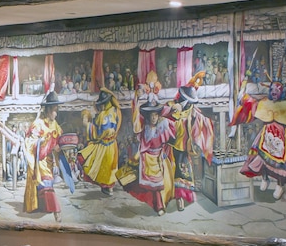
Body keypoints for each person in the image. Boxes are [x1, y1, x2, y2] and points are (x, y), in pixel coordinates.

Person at [230, 71, 286, 200]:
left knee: (280, 162)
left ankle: (280, 185)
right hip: (266, 134)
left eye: (277, 89)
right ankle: (265, 178)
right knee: (261, 158)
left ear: (282, 92)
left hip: (282, 137)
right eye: (272, 89)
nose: (274, 92)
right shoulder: (264, 102)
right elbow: (250, 104)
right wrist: (243, 89)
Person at [164, 71, 214, 211]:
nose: (187, 103)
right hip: (169, 146)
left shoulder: (192, 112)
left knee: (183, 174)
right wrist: (172, 110)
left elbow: (200, 123)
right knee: (168, 173)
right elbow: (163, 117)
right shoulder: (171, 106)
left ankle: (180, 199)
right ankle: (167, 198)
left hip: (183, 148)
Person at [125, 86, 175, 215]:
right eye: (151, 115)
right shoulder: (144, 127)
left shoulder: (163, 124)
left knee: (163, 183)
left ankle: (161, 205)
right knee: (152, 185)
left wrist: (174, 108)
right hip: (147, 158)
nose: (154, 118)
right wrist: (136, 98)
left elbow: (172, 116)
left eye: (156, 115)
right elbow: (135, 116)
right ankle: (157, 205)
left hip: (160, 158)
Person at [23, 91, 64, 222]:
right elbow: (30, 142)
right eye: (54, 110)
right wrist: (45, 142)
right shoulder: (38, 124)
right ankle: (57, 211)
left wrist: (58, 146)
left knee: (47, 184)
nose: (55, 113)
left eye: (56, 110)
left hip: (50, 160)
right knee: (46, 183)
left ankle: (42, 206)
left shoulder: (55, 125)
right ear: (47, 109)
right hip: (40, 161)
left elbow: (58, 140)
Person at [76, 89, 122, 196]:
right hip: (111, 144)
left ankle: (107, 187)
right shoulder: (115, 111)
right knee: (108, 166)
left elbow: (97, 133)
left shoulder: (102, 115)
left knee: (104, 165)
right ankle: (108, 187)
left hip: (105, 145)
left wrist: (87, 125)